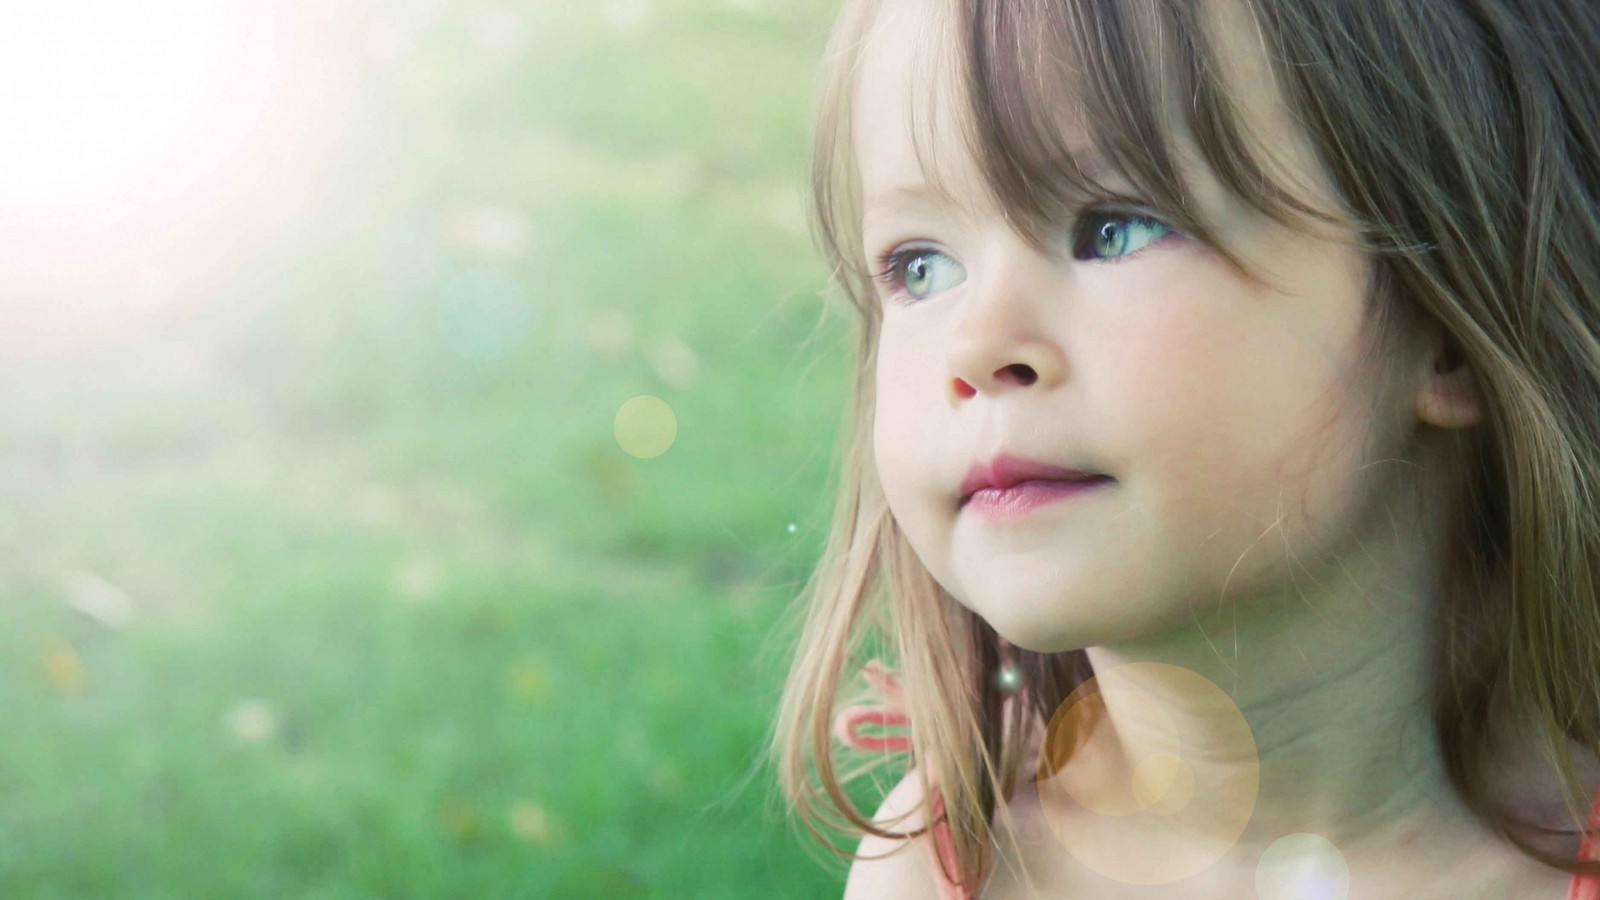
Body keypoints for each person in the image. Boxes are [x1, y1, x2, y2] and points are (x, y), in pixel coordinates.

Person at [767, 0, 1600, 896]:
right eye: (919, 265)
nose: (977, 346)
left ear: (1447, 324)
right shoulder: (950, 865)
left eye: (1113, 228)